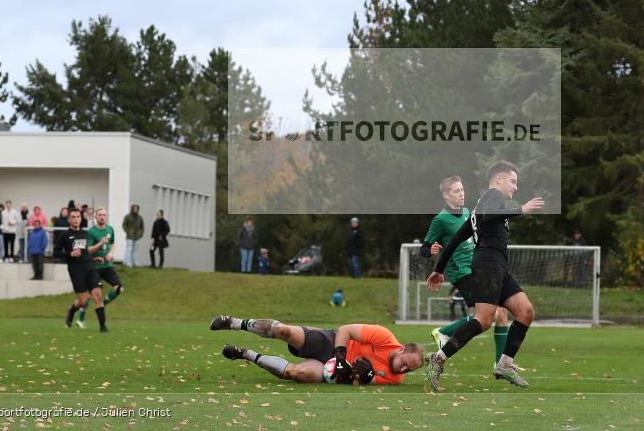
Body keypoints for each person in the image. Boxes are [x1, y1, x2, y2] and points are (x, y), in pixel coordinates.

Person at [426, 161, 544, 390]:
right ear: (499, 179)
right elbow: (490, 216)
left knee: (525, 311)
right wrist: (521, 209)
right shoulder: (493, 196)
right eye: (513, 181)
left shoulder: (478, 209)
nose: (515, 187)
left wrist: (439, 269)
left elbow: (456, 239)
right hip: (488, 265)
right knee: (483, 320)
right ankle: (438, 358)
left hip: (498, 267)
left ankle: (505, 364)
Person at [421, 175, 512, 372]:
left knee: (501, 313)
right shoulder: (440, 220)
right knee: (489, 315)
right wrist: (430, 251)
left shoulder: (466, 212)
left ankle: (502, 364)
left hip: (479, 268)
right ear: (446, 195)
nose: (462, 194)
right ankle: (442, 332)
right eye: (456, 191)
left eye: (462, 189)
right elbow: (424, 247)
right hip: (462, 272)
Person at [209, 314, 424, 385]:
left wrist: (365, 378)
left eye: (409, 370)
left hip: (331, 371)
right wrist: (340, 356)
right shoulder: (384, 336)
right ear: (402, 349)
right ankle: (234, 323)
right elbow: (345, 330)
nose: (403, 370)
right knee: (285, 331)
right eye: (405, 363)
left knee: (296, 374)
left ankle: (245, 354)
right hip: (331, 343)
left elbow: (360, 381)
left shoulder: (395, 378)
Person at [57, 208, 109, 332]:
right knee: (83, 301)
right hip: (76, 271)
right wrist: (70, 254)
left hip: (90, 268)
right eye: (73, 217)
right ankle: (71, 310)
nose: (76, 219)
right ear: (69, 220)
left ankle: (103, 327)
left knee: (97, 295)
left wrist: (94, 258)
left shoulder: (85, 234)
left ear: (81, 219)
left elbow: (85, 251)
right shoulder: (64, 235)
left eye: (78, 217)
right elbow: (56, 252)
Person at [77, 207, 123, 328]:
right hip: (94, 267)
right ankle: (81, 319)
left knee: (119, 288)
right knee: (89, 295)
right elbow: (88, 250)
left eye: (104, 215)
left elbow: (112, 243)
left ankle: (102, 304)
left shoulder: (110, 229)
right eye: (100, 215)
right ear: (96, 217)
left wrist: (110, 253)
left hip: (107, 266)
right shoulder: (91, 232)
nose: (102, 217)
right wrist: (100, 243)